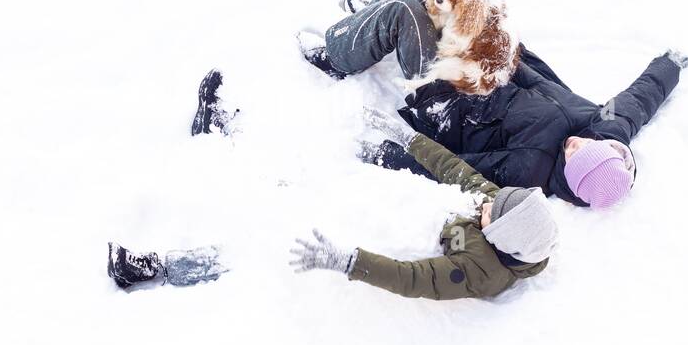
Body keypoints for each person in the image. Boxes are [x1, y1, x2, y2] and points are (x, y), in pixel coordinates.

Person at [107, 72, 560, 300]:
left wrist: (347, 261)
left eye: (490, 211)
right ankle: (219, 136)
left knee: (264, 249)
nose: (486, 201)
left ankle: (154, 268)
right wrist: (408, 138)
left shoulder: (479, 272)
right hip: (384, 203)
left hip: (371, 241)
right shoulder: (503, 212)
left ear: (502, 239)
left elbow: (414, 278)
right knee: (290, 187)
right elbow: (456, 171)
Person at [298, 0, 688, 209]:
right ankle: (368, 20)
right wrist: (671, 64)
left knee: (407, 16)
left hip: (449, 102)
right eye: (584, 144)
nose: (573, 143)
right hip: (491, 69)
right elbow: (641, 99)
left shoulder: (530, 168)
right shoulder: (607, 132)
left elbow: (460, 171)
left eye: (572, 155)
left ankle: (334, 57)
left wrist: (391, 155)